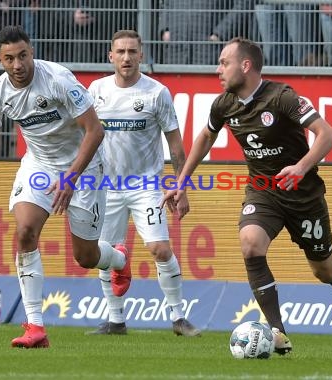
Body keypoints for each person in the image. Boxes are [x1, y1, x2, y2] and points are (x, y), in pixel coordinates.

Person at [161, 37, 332, 353]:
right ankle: (277, 333)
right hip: (263, 191)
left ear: (246, 65)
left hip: (303, 195)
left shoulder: (282, 97)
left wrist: (301, 167)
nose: (218, 70)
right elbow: (204, 137)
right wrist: (182, 181)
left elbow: (328, 135)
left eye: (224, 63)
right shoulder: (224, 103)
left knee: (324, 271)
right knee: (250, 243)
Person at [0, 25, 131, 348]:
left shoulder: (58, 80)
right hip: (39, 166)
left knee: (85, 257)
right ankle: (35, 326)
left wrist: (72, 177)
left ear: (32, 52)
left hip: (84, 166)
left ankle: (117, 259)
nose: (17, 65)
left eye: (22, 56)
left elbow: (95, 131)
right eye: (9, 59)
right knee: (25, 232)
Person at [86, 29, 201, 337]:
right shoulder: (96, 90)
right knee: (105, 253)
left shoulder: (156, 93)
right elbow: (82, 136)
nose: (126, 57)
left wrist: (181, 188)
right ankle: (115, 320)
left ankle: (178, 317)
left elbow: (176, 146)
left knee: (160, 249)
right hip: (105, 187)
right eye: (120, 51)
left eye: (132, 52)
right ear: (110, 56)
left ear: (141, 55)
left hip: (146, 185)